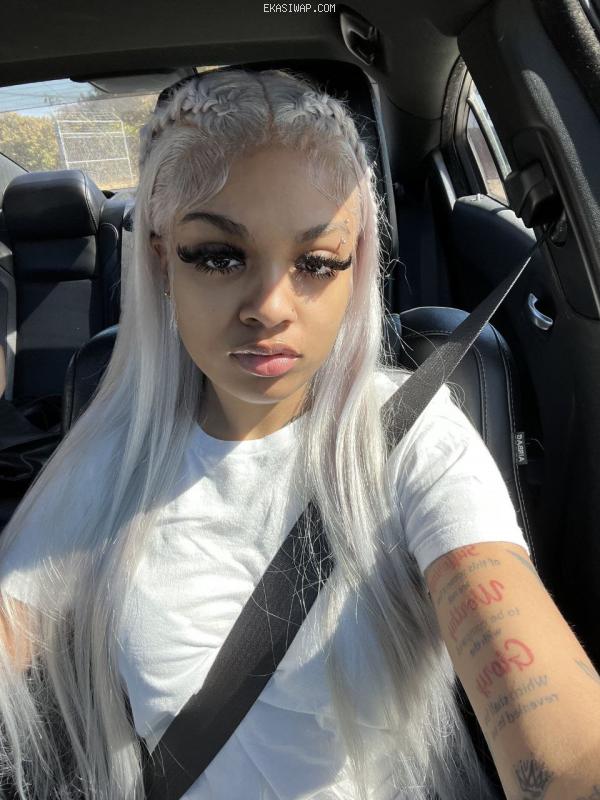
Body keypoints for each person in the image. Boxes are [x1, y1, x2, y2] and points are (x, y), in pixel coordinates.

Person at [0, 66, 598, 800]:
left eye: (316, 263)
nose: (271, 306)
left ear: (356, 266)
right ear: (160, 258)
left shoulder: (416, 444)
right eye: (218, 256)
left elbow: (563, 745)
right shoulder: (109, 463)